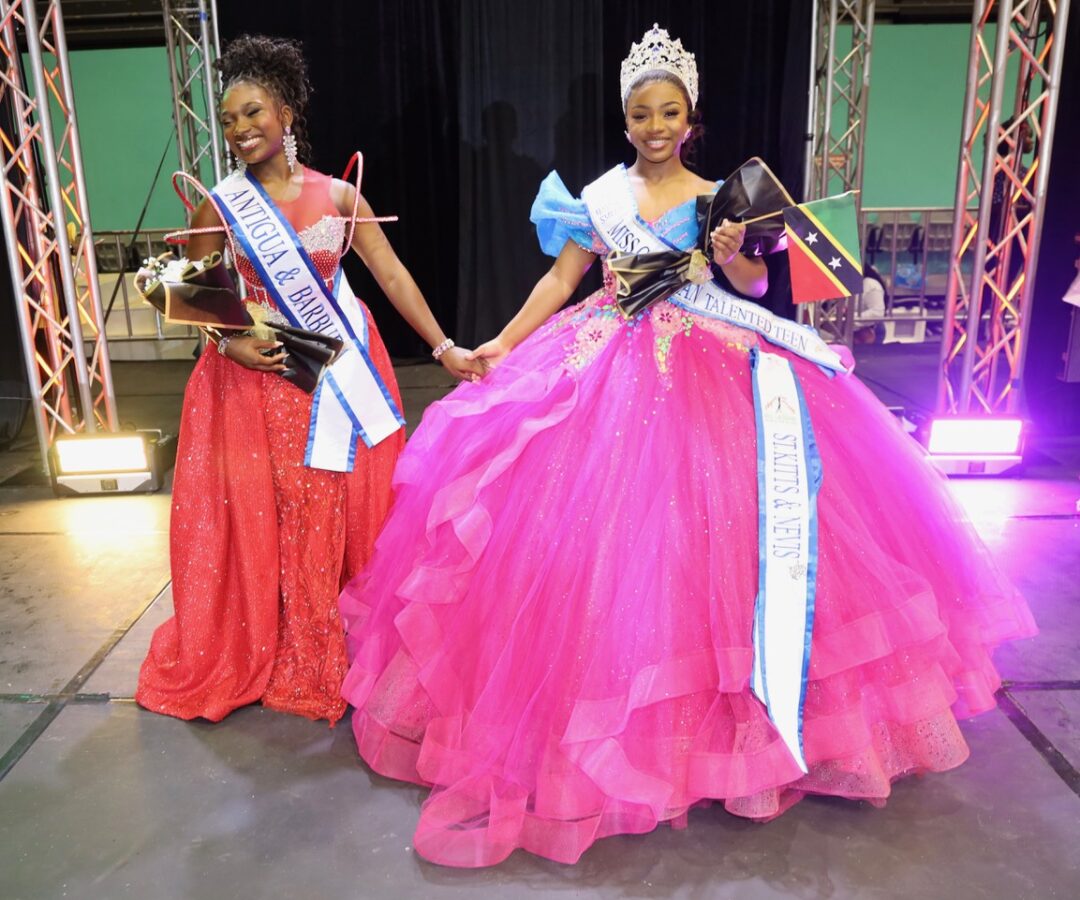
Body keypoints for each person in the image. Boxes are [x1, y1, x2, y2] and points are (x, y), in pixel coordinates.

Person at [337, 25, 1036, 866]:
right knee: (602, 549)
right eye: (642, 114)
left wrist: (736, 257)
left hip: (710, 362)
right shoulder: (600, 197)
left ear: (690, 117)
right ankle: (623, 728)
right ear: (625, 120)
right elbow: (561, 279)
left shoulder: (720, 197)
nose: (656, 126)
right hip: (605, 364)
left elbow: (754, 285)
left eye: (669, 112)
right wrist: (503, 343)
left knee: (730, 537)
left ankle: (741, 726)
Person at [136, 34, 482, 726]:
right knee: (284, 509)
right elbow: (194, 292)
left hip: (341, 370)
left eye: (253, 112)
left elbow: (391, 275)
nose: (239, 129)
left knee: (343, 503)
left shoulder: (340, 195)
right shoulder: (220, 205)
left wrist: (444, 346)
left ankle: (351, 641)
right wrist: (231, 343)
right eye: (229, 119)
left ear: (286, 114)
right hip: (259, 381)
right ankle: (292, 644)